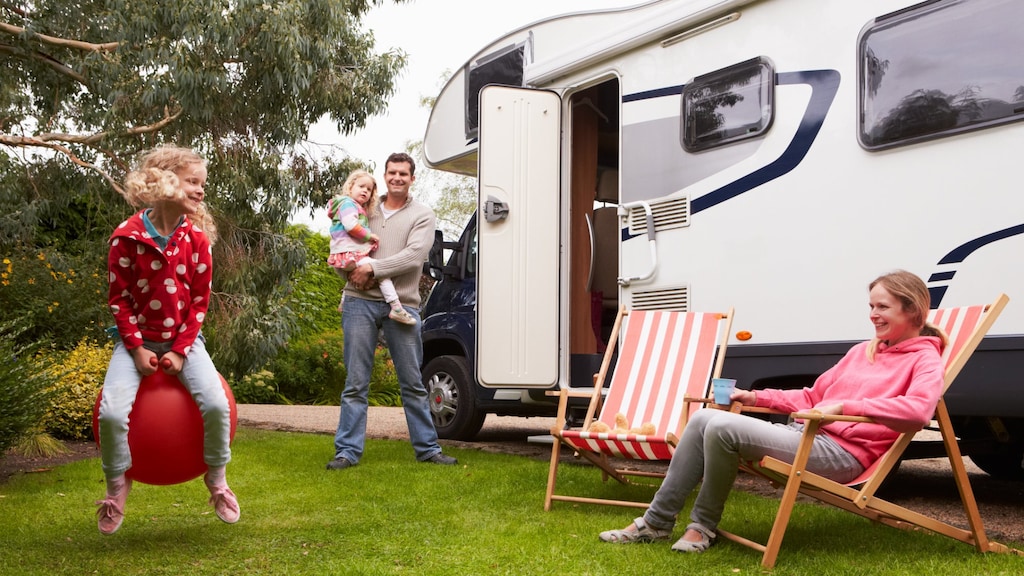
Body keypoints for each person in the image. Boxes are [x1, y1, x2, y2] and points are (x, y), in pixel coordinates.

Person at [599, 270, 946, 553]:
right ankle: (657, 522)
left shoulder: (925, 358)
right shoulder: (863, 352)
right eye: (871, 306)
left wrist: (846, 406)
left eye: (882, 307)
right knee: (704, 417)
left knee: (722, 428)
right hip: (807, 436)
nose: (873, 314)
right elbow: (811, 396)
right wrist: (753, 397)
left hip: (844, 455)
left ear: (912, 310)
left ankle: (700, 526)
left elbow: (919, 411)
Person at [95, 145, 239, 534]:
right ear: (166, 181)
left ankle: (217, 478)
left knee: (217, 405)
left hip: (185, 343)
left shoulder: (197, 240)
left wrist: (179, 351)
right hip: (134, 343)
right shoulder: (125, 237)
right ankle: (116, 485)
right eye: (193, 181)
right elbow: (119, 300)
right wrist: (137, 348)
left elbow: (199, 303)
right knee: (111, 413)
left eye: (202, 183)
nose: (201, 190)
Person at [327, 152, 457, 470]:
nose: (397, 178)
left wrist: (372, 268)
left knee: (412, 382)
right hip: (358, 301)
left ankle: (428, 449)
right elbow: (341, 244)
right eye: (392, 172)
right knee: (356, 383)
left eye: (403, 173)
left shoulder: (423, 214)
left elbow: (414, 256)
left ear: (412, 178)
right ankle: (347, 452)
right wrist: (349, 275)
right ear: (384, 176)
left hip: (403, 304)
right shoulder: (364, 208)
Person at [327, 170, 415, 325]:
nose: (365, 191)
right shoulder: (348, 204)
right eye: (361, 186)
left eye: (369, 190)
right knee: (380, 271)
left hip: (345, 253)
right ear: (350, 187)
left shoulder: (351, 206)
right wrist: (369, 236)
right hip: (349, 253)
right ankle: (396, 307)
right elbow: (350, 226)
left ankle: (344, 301)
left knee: (354, 275)